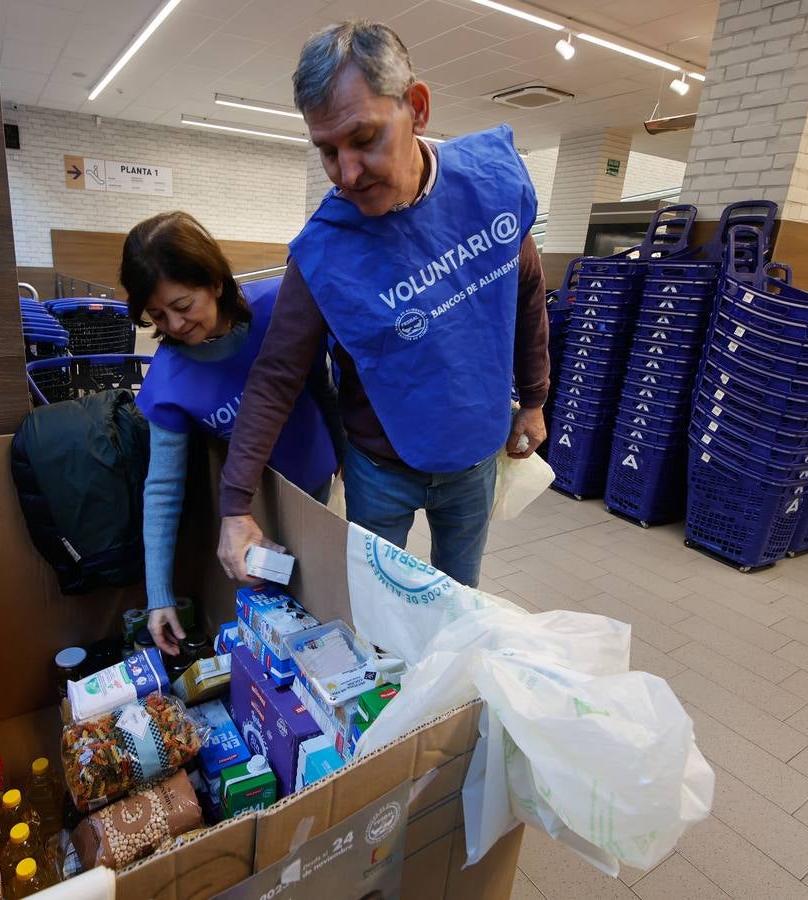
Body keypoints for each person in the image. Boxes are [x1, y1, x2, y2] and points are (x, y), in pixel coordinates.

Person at [215, 21, 548, 590]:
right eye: (328, 151)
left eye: (364, 138)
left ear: (416, 108)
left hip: (474, 455)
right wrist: (234, 506)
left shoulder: (489, 189)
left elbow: (527, 292)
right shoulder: (325, 251)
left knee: (458, 602)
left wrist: (535, 400)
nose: (347, 174)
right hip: (379, 468)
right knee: (375, 606)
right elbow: (275, 377)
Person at [123, 212, 340, 654]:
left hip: (320, 484)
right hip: (253, 513)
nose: (175, 325)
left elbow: (324, 387)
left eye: (183, 305)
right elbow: (162, 488)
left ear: (215, 282)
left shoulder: (279, 307)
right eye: (158, 315)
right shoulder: (168, 380)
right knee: (278, 616)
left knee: (327, 595)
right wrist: (159, 596)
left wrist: (345, 458)